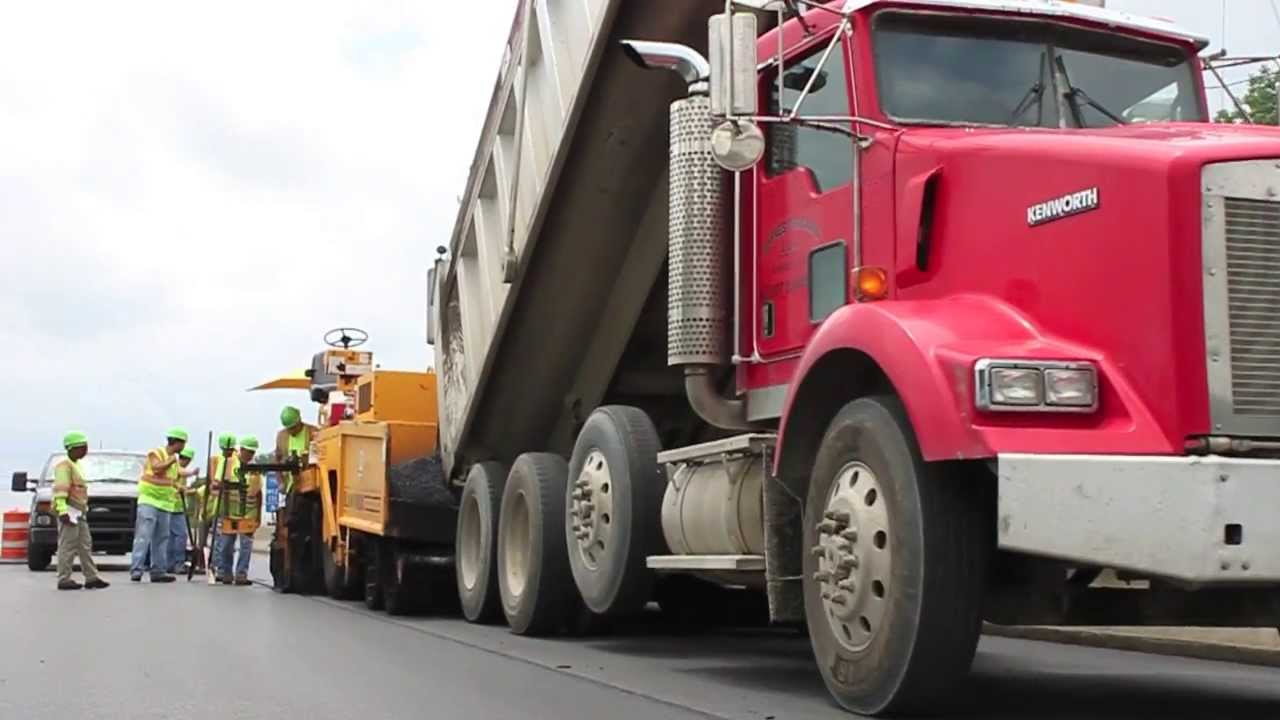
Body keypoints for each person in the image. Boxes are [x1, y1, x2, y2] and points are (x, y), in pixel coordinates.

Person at [52, 431, 109, 591]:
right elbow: (61, 490)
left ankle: (91, 577)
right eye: (82, 447)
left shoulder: (76, 465)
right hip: (69, 510)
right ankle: (64, 578)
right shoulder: (64, 466)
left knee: (85, 544)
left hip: (79, 511)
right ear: (72, 448)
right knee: (68, 545)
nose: (85, 451)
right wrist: (62, 510)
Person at [130, 427, 187, 583]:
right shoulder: (157, 453)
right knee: (144, 535)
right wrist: (170, 460)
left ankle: (158, 571)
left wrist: (179, 487)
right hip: (149, 500)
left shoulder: (174, 462)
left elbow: (170, 480)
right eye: (184, 443)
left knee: (162, 538)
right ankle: (136, 569)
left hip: (165, 503)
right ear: (178, 443)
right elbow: (156, 468)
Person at [213, 436, 262, 586]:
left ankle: (241, 574)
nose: (250, 455)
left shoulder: (255, 470)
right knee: (227, 543)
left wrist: (258, 515)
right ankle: (226, 572)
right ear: (241, 450)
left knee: (246, 544)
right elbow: (217, 483)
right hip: (230, 511)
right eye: (248, 452)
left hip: (249, 512)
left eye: (253, 453)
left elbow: (259, 493)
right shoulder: (228, 463)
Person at [194, 433, 238, 573]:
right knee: (208, 538)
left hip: (224, 505)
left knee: (221, 537)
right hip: (212, 506)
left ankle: (217, 565)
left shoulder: (231, 461)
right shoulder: (217, 460)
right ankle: (206, 562)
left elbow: (218, 484)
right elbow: (213, 485)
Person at [167, 447, 198, 575]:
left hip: (176, 506)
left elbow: (180, 485)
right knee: (180, 536)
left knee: (171, 537)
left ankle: (170, 564)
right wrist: (192, 473)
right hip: (173, 507)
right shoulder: (175, 465)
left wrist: (189, 490)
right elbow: (180, 472)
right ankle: (177, 564)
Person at [274, 406, 318, 495]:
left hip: (310, 487)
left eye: (293, 428)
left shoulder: (313, 432)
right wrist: (280, 481)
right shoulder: (281, 436)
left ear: (299, 421)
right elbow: (276, 461)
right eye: (288, 429)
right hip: (291, 487)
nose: (291, 431)